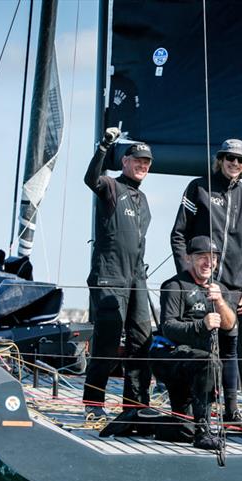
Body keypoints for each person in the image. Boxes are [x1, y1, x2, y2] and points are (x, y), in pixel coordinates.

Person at [170, 139, 242, 422]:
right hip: (199, 283)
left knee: (230, 344)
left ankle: (232, 410)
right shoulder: (198, 187)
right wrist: (188, 276)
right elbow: (178, 234)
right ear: (220, 159)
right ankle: (199, 407)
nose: (235, 163)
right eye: (230, 158)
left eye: (241, 160)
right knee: (200, 343)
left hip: (233, 286)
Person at [82, 127, 153, 421]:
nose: (142, 165)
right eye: (137, 160)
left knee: (142, 340)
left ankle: (134, 406)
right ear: (124, 161)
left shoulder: (144, 200)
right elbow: (90, 179)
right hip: (109, 277)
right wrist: (103, 146)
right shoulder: (111, 187)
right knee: (107, 342)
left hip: (136, 279)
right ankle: (93, 402)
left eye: (147, 163)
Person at [151, 236, 237, 450]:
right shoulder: (174, 285)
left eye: (213, 258)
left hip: (197, 363)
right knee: (210, 362)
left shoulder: (220, 290)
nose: (208, 263)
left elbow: (230, 325)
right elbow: (169, 326)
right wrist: (202, 325)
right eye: (202, 257)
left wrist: (219, 302)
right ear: (189, 258)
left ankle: (144, 422)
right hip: (169, 357)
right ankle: (204, 432)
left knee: (183, 429)